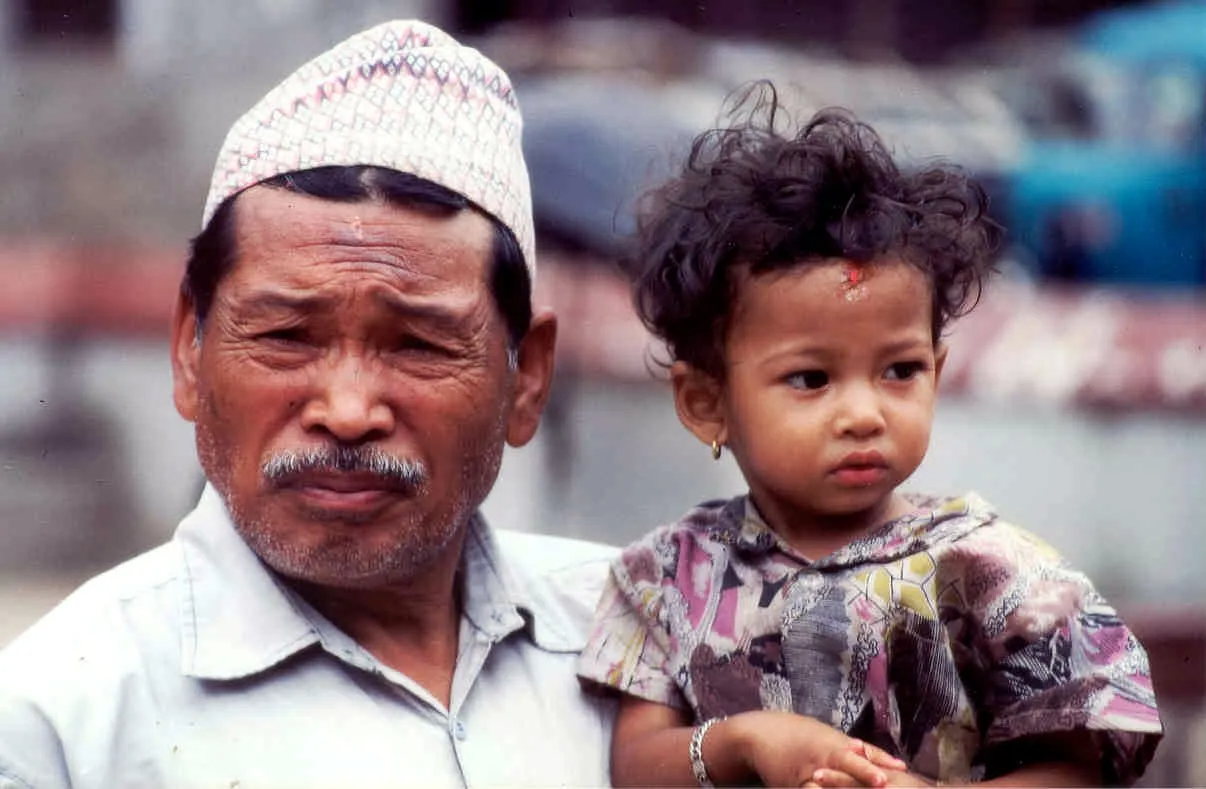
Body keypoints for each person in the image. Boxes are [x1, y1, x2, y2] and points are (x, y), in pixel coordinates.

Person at [0, 20, 619, 789]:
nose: (348, 410)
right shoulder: (59, 724)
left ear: (526, 377)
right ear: (189, 350)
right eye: (287, 336)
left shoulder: (642, 649)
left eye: (418, 345)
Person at [576, 83, 1163, 787]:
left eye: (899, 370)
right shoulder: (668, 577)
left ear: (937, 372)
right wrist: (745, 742)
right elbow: (634, 766)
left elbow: (1081, 768)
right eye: (811, 378)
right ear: (706, 402)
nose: (864, 413)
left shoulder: (990, 573)